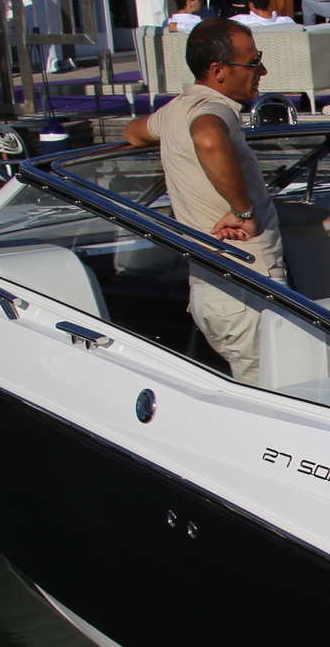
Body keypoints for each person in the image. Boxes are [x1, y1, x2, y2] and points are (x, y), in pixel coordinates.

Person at [120, 19, 287, 385]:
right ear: (218, 70)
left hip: (211, 290)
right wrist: (243, 210)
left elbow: (132, 132)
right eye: (253, 62)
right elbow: (208, 138)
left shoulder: (175, 111)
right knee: (273, 391)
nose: (262, 71)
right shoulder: (215, 108)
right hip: (246, 288)